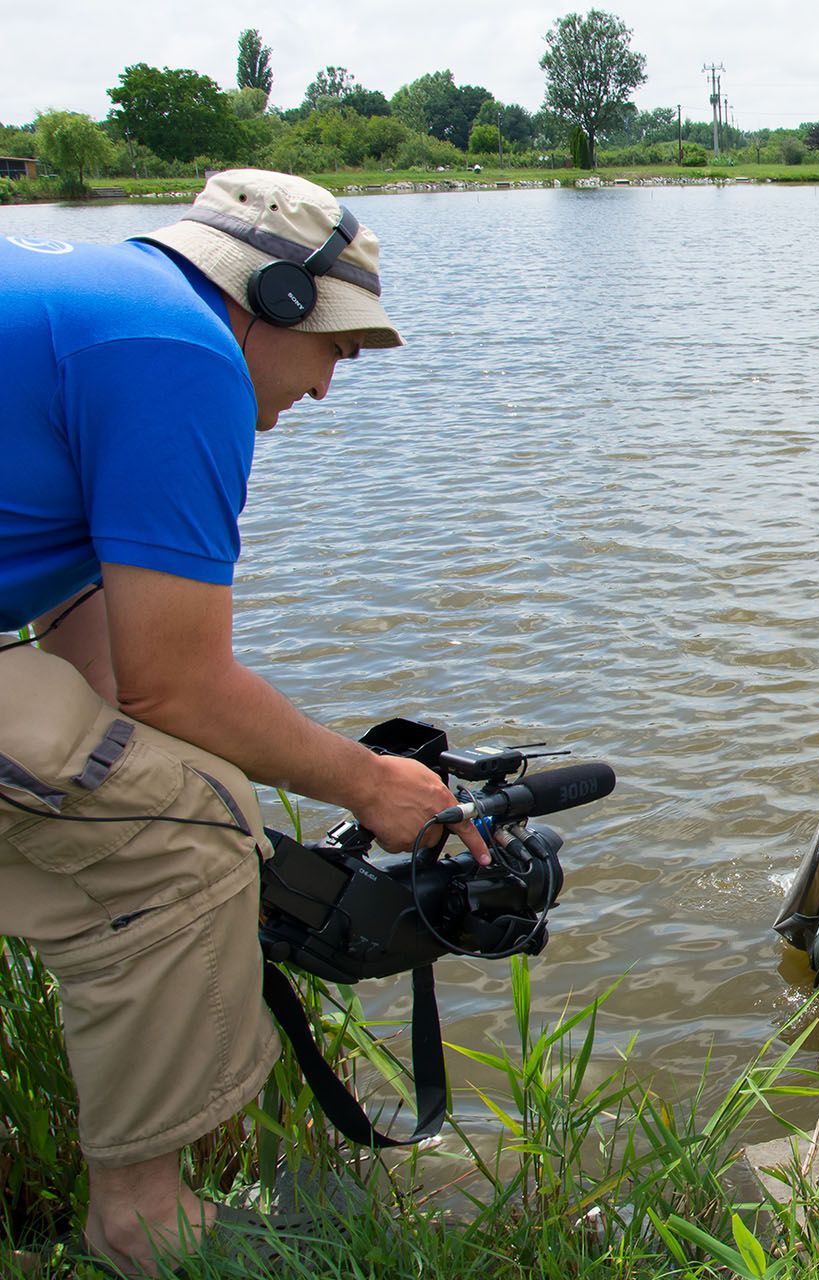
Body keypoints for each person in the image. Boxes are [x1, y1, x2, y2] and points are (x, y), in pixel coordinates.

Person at [0, 170, 486, 1276]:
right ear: (272, 297)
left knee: (146, 783)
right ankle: (143, 1220)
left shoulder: (104, 311)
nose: (325, 388)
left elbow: (119, 683)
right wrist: (368, 784)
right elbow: (176, 681)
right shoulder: (183, 354)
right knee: (188, 835)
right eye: (337, 350)